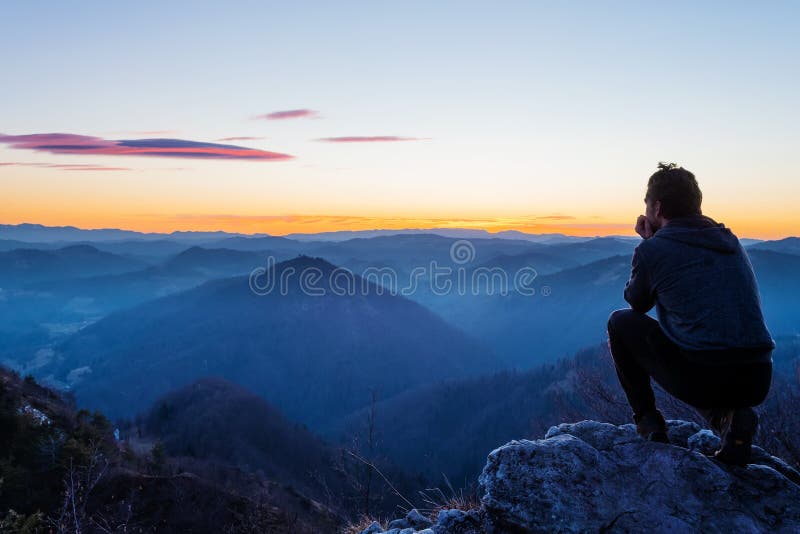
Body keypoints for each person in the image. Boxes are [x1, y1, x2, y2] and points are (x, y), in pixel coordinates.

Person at [606, 162, 775, 466]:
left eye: (647, 205)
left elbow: (636, 302)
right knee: (703, 346)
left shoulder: (654, 249)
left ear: (656, 207)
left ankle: (648, 422)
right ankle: (729, 420)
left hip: (705, 377)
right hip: (757, 376)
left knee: (620, 322)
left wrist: (649, 243)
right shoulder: (729, 240)